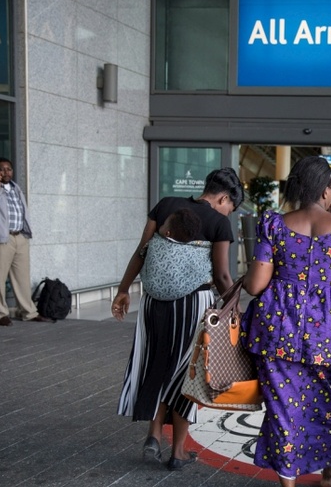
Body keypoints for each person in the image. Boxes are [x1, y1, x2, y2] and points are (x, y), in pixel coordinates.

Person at [242, 155, 331, 487]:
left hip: (277, 329)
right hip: (329, 332)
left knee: (282, 408)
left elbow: (255, 285)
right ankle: (328, 473)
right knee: (326, 403)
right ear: (326, 191)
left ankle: (288, 481)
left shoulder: (274, 226)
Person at [113, 168, 243, 471]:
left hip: (152, 303)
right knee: (187, 375)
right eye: (231, 207)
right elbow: (222, 275)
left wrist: (123, 290)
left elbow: (142, 252)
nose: (229, 213)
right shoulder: (219, 222)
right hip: (192, 305)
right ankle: (179, 451)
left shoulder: (166, 204)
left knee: (158, 364)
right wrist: (234, 311)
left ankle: (154, 435)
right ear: (224, 198)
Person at [0, 158, 54, 326]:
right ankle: (0, 314)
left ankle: (28, 312)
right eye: (2, 169)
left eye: (9, 169)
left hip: (20, 237)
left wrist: (26, 232)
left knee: (22, 278)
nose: (6, 172)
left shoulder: (15, 187)